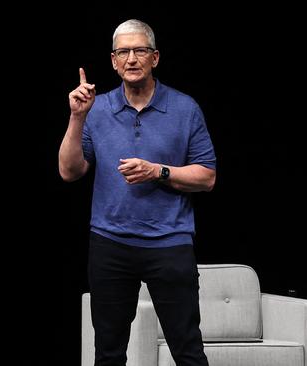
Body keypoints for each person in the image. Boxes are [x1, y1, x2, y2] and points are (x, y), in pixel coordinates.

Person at [59, 19, 215, 366]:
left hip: (170, 243)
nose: (132, 58)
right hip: (110, 244)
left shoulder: (185, 108)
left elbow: (206, 177)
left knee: (188, 351)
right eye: (123, 52)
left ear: (155, 58)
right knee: (109, 353)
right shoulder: (95, 108)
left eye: (140, 50)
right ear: (113, 61)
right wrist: (76, 118)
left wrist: (157, 171)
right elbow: (69, 171)